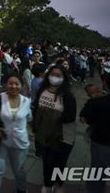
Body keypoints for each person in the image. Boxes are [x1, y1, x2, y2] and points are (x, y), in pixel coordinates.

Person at [32, 65, 76, 193]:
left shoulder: (67, 96)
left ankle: (59, 184)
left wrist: (52, 116)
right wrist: (36, 127)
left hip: (63, 137)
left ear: (64, 78)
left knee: (59, 163)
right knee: (47, 162)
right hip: (44, 135)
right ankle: (47, 184)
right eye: (53, 74)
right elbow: (37, 110)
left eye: (58, 75)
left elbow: (70, 116)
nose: (54, 78)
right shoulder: (42, 90)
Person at [0, 74, 32, 193]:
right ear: (6, 85)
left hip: (20, 143)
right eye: (10, 83)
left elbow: (30, 118)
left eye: (17, 84)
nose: (14, 86)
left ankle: (21, 189)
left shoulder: (26, 101)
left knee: (19, 171)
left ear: (21, 86)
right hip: (2, 141)